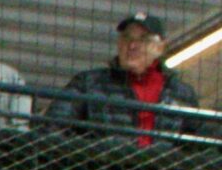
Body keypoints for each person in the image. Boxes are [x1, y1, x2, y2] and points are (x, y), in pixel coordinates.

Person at [48, 10, 207, 144]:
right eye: (127, 38)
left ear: (160, 48)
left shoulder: (180, 93)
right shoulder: (89, 83)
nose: (132, 46)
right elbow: (52, 127)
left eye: (143, 39)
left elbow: (200, 142)